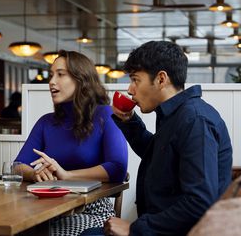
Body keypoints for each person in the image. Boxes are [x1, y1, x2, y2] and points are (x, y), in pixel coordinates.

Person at [81, 41, 233, 236]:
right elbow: (156, 154)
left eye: (136, 80)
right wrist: (128, 121)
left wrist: (135, 228)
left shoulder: (195, 120)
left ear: (161, 79)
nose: (130, 89)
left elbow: (200, 202)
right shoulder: (177, 115)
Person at [15, 50, 128, 235]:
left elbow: (118, 168)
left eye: (60, 74)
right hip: (44, 211)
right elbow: (18, 165)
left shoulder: (105, 115)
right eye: (51, 75)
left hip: (91, 211)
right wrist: (36, 175)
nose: (51, 81)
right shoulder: (46, 122)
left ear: (81, 79)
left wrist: (66, 175)